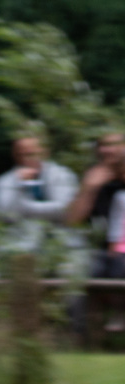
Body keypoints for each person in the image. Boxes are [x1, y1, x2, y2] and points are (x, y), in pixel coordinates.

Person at [67, 130, 125, 331]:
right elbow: (73, 220)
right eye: (103, 144)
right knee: (75, 273)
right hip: (100, 251)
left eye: (114, 143)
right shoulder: (94, 177)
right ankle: (79, 338)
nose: (108, 149)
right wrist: (89, 188)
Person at [0, 135, 81, 255]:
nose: (26, 159)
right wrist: (18, 184)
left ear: (45, 152)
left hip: (64, 244)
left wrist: (25, 207)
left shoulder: (63, 175)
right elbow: (5, 215)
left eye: (32, 154)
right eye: (21, 154)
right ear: (14, 155)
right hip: (20, 246)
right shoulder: (4, 182)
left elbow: (65, 211)